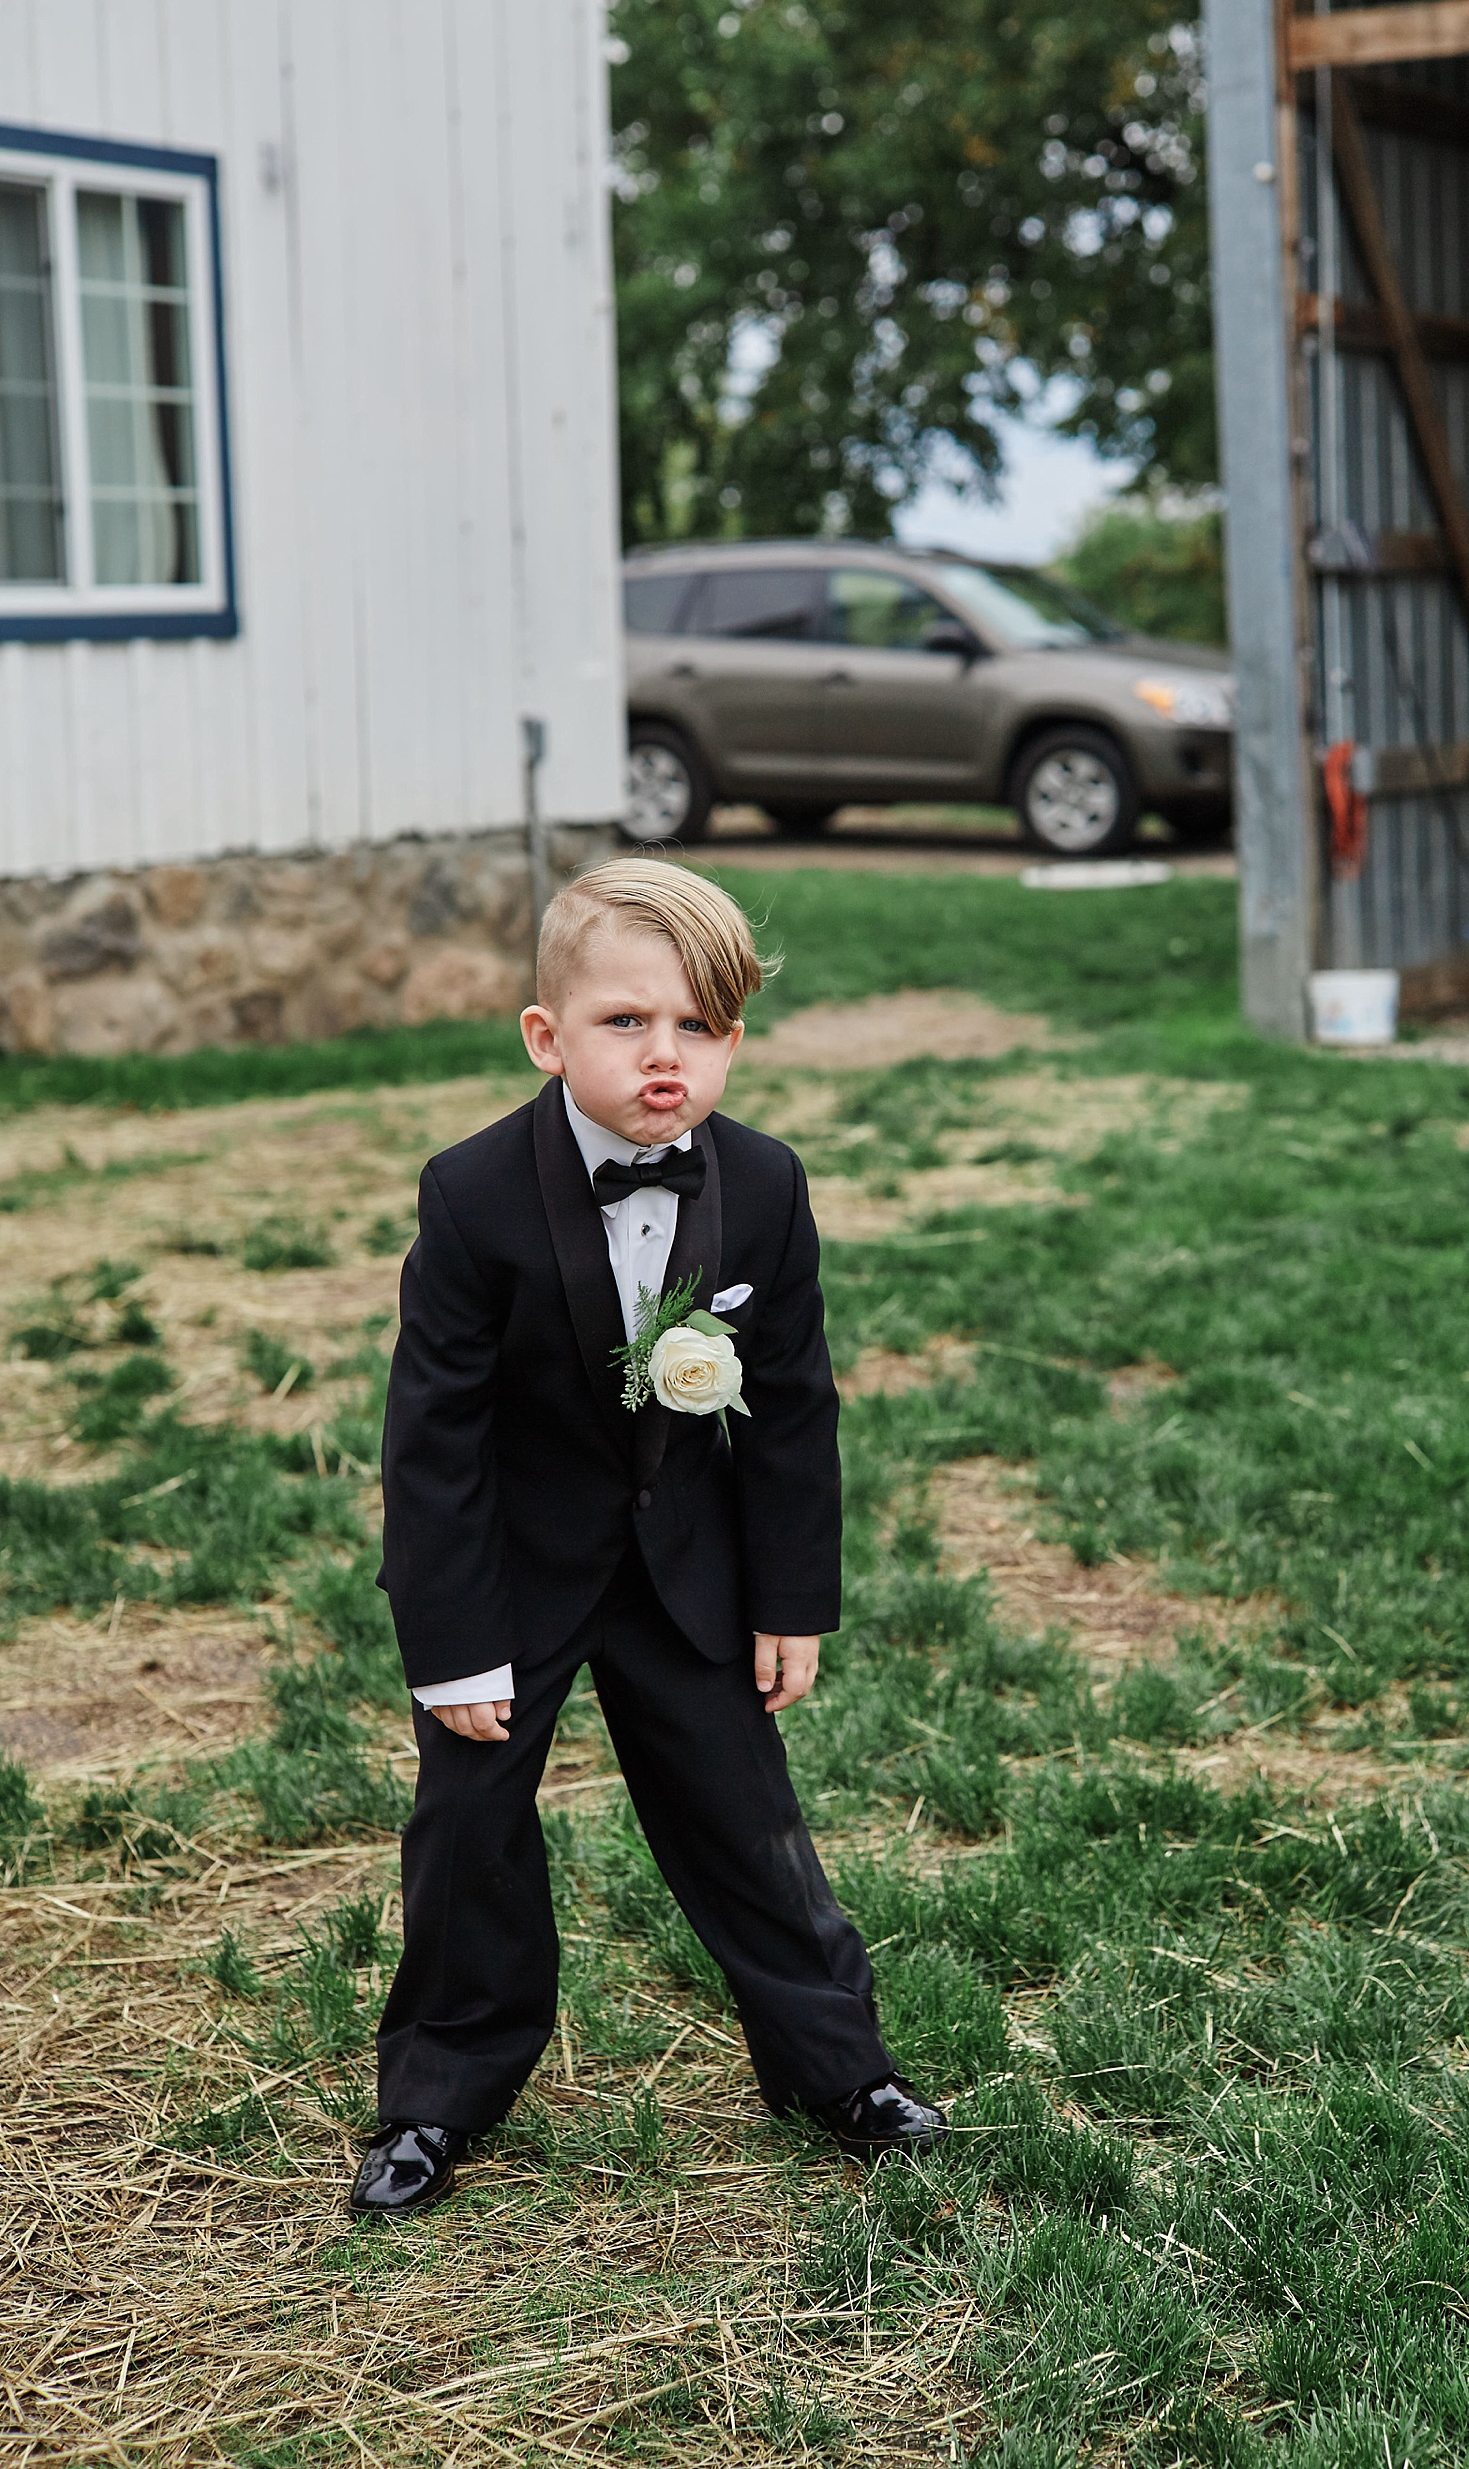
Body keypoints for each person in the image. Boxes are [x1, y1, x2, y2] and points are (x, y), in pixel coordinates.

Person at [349, 858, 945, 2217]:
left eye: (700, 1025)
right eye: (626, 1024)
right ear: (547, 1037)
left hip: (689, 1567)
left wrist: (791, 1599)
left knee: (748, 1818)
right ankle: (438, 2096)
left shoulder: (766, 1187)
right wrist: (451, 1648)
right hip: (515, 1565)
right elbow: (431, 1438)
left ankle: (834, 2068)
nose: (666, 1057)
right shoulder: (476, 1195)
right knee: (472, 1828)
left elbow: (790, 1410)